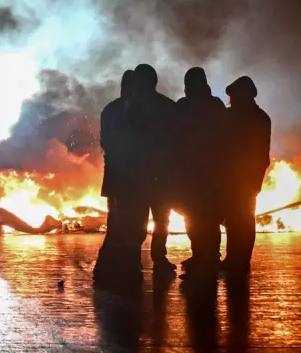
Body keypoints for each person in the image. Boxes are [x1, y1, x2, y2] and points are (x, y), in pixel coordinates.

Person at [94, 70, 146, 287]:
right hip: (133, 176)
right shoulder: (137, 110)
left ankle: (108, 266)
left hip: (115, 174)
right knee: (134, 221)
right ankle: (128, 266)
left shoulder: (110, 109)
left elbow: (105, 142)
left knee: (116, 219)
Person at [174, 68, 226, 282]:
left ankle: (208, 259)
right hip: (198, 173)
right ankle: (201, 256)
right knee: (196, 218)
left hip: (203, 173)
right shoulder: (213, 105)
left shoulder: (204, 106)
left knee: (204, 218)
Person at [130, 63, 178, 274]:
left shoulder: (129, 107)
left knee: (140, 218)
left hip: (141, 174)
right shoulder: (167, 106)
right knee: (160, 219)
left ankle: (134, 259)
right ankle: (158, 258)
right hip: (159, 173)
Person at [222, 76, 270, 278]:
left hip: (241, 178)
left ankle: (239, 259)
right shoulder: (261, 118)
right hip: (244, 178)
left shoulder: (240, 118)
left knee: (240, 219)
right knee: (238, 219)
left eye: (233, 97)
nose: (230, 101)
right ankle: (237, 259)